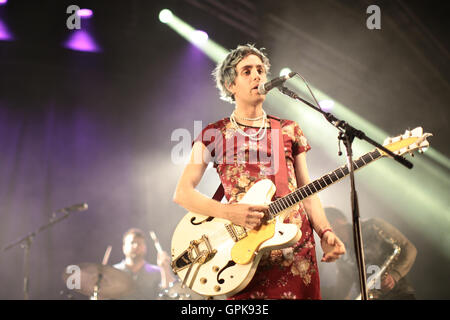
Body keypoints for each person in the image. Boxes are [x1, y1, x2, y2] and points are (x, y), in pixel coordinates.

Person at [173, 44, 345, 299]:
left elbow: (307, 191)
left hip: (295, 251)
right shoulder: (213, 133)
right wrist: (227, 212)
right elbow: (182, 193)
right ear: (231, 85)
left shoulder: (289, 130)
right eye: (247, 71)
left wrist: (325, 231)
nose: (257, 76)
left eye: (261, 70)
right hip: (242, 254)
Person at [322, 207, 417, 300]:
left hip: (398, 295)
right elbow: (341, 290)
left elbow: (409, 249)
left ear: (340, 220)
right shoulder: (340, 252)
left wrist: (395, 274)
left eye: (326, 226)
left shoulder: (373, 226)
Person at [112, 228, 176, 299]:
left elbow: (170, 293)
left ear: (145, 248)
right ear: (124, 248)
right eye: (132, 242)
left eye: (139, 243)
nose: (136, 246)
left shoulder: (157, 271)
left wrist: (165, 269)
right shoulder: (113, 272)